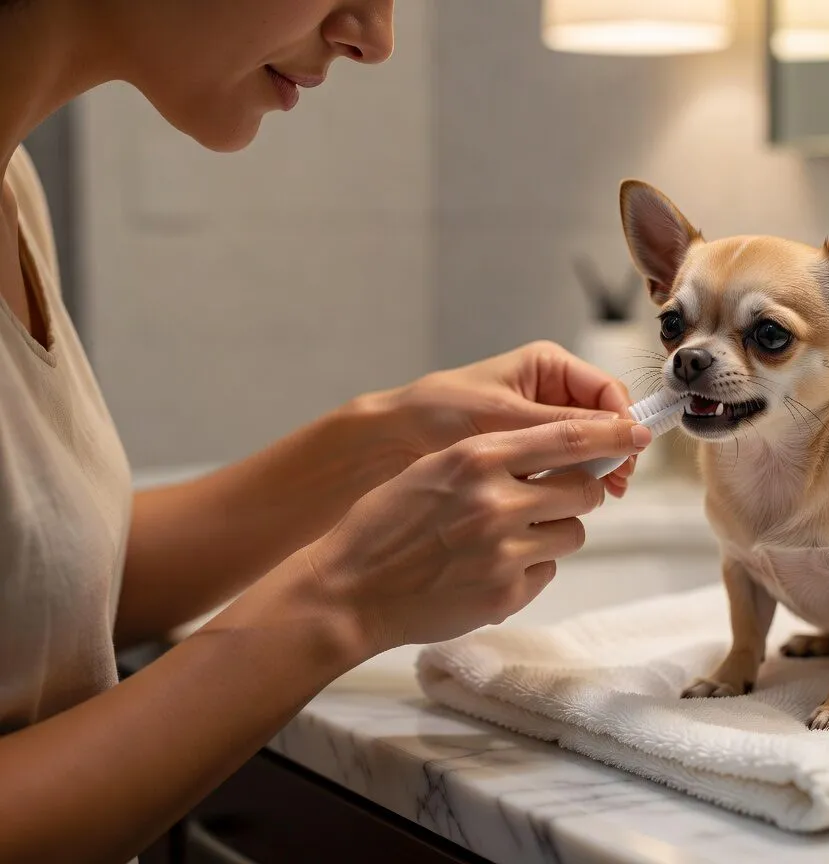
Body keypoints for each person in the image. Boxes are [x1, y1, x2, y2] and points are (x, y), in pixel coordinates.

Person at [0, 2, 650, 861]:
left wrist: (384, 438)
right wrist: (342, 602)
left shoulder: (12, 185)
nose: (374, 38)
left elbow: (47, 594)